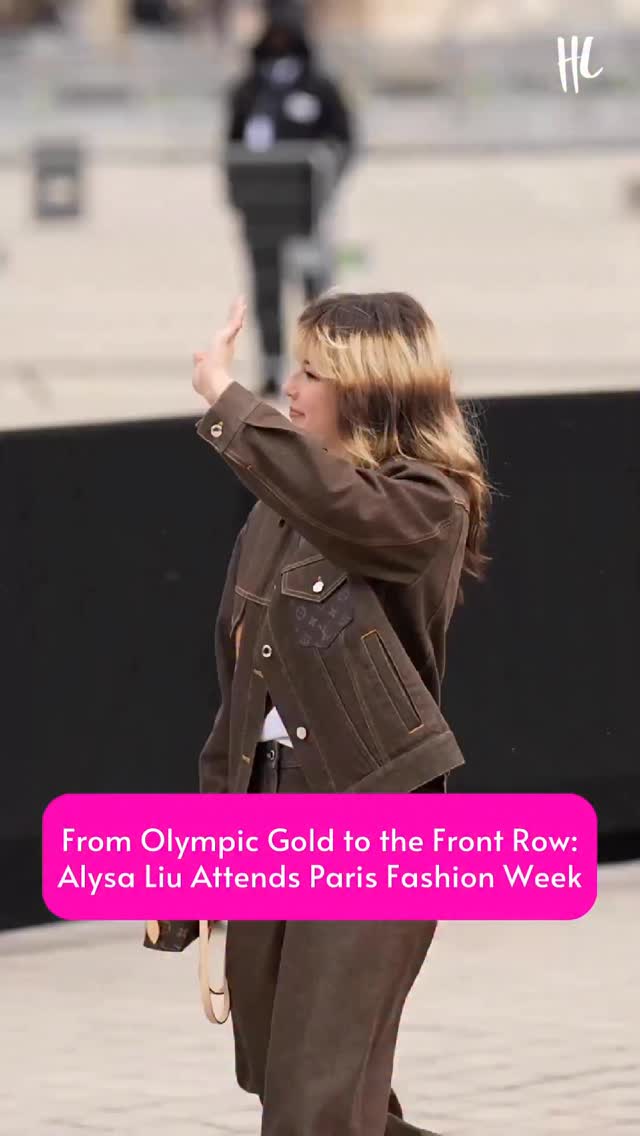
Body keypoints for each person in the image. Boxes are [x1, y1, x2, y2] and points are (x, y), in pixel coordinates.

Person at [191, 290, 491, 1136]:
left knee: (313, 1103)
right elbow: (240, 699)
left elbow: (348, 509)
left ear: (367, 388)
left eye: (314, 372)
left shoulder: (425, 505)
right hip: (268, 816)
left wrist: (228, 405)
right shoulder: (271, 520)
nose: (291, 386)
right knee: (286, 1080)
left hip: (373, 817)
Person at [223, 15, 355, 396]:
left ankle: (321, 366)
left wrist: (325, 181)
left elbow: (344, 139)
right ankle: (270, 365)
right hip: (262, 210)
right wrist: (238, 195)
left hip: (306, 211)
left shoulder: (319, 88)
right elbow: (230, 148)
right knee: (266, 292)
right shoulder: (248, 91)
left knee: (315, 293)